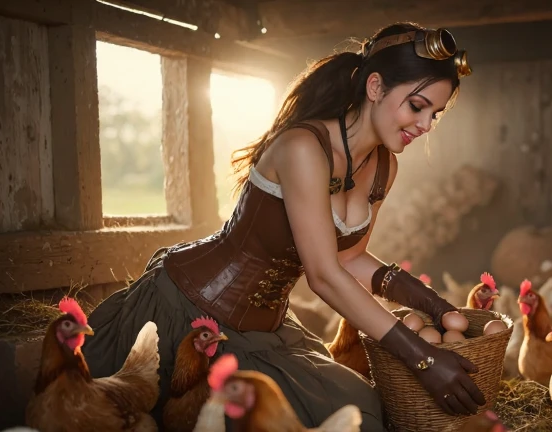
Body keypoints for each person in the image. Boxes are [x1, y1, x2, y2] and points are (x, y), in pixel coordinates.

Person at [80, 22, 482, 431]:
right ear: (375, 87)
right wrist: (421, 356)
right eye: (417, 106)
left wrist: (435, 306)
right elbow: (324, 276)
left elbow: (350, 257)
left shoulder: (383, 166)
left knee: (360, 405)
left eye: (436, 113)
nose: (426, 124)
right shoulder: (303, 148)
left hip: (267, 327)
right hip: (193, 309)